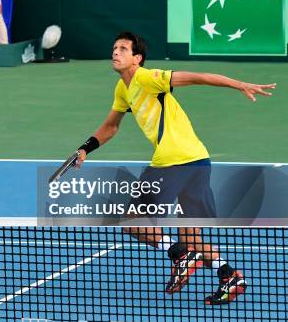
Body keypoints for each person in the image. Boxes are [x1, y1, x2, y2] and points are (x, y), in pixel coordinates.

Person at [75, 32, 276, 304]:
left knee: (132, 221)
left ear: (137, 59)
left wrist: (239, 84)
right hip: (198, 161)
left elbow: (197, 77)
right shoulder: (123, 89)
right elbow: (111, 127)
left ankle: (177, 253)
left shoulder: (147, 77)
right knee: (192, 240)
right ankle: (230, 276)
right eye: (114, 48)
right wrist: (86, 147)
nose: (116, 52)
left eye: (123, 49)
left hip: (172, 162)